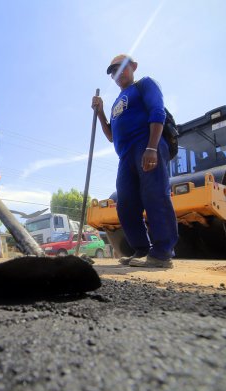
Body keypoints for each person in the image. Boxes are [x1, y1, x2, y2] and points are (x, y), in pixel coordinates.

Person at [92, 54, 178, 268]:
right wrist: (101, 112)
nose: (117, 74)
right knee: (126, 204)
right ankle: (142, 249)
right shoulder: (115, 105)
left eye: (121, 68)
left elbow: (157, 111)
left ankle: (162, 253)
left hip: (147, 143)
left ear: (133, 67)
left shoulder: (144, 85)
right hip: (125, 155)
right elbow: (111, 135)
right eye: (113, 72)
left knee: (155, 195)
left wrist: (151, 147)